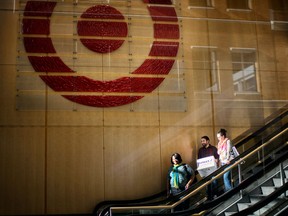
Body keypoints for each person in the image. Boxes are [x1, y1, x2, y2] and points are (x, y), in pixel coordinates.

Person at [198, 136, 219, 200]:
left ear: (208, 141)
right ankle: (209, 197)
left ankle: (215, 195)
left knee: (214, 182)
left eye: (203, 141)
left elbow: (217, 157)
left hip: (213, 169)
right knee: (207, 184)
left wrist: (216, 160)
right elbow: (199, 160)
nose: (202, 142)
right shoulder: (200, 150)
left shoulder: (213, 148)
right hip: (205, 171)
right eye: (201, 141)